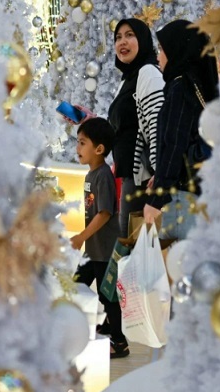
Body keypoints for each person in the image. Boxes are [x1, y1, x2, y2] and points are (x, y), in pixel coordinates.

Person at [65, 18, 164, 238]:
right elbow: (121, 130)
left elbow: (158, 126)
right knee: (131, 247)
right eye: (118, 37)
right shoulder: (129, 79)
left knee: (136, 248)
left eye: (129, 35)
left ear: (143, 40)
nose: (122, 42)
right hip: (130, 178)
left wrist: (160, 175)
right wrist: (89, 119)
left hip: (145, 181)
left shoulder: (148, 73)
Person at [143, 19, 219, 240]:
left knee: (178, 257)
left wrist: (157, 197)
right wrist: (160, 176)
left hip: (182, 198)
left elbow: (174, 144)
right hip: (198, 191)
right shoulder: (196, 84)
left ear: (177, 49)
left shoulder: (180, 87)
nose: (158, 56)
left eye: (162, 49)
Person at [70, 117, 129, 359]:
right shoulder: (90, 176)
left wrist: (81, 236)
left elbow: (105, 213)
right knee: (77, 284)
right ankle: (101, 325)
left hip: (105, 250)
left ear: (99, 149)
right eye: (78, 142)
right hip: (93, 248)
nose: (77, 147)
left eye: (82, 143)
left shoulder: (103, 175)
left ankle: (120, 342)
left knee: (108, 295)